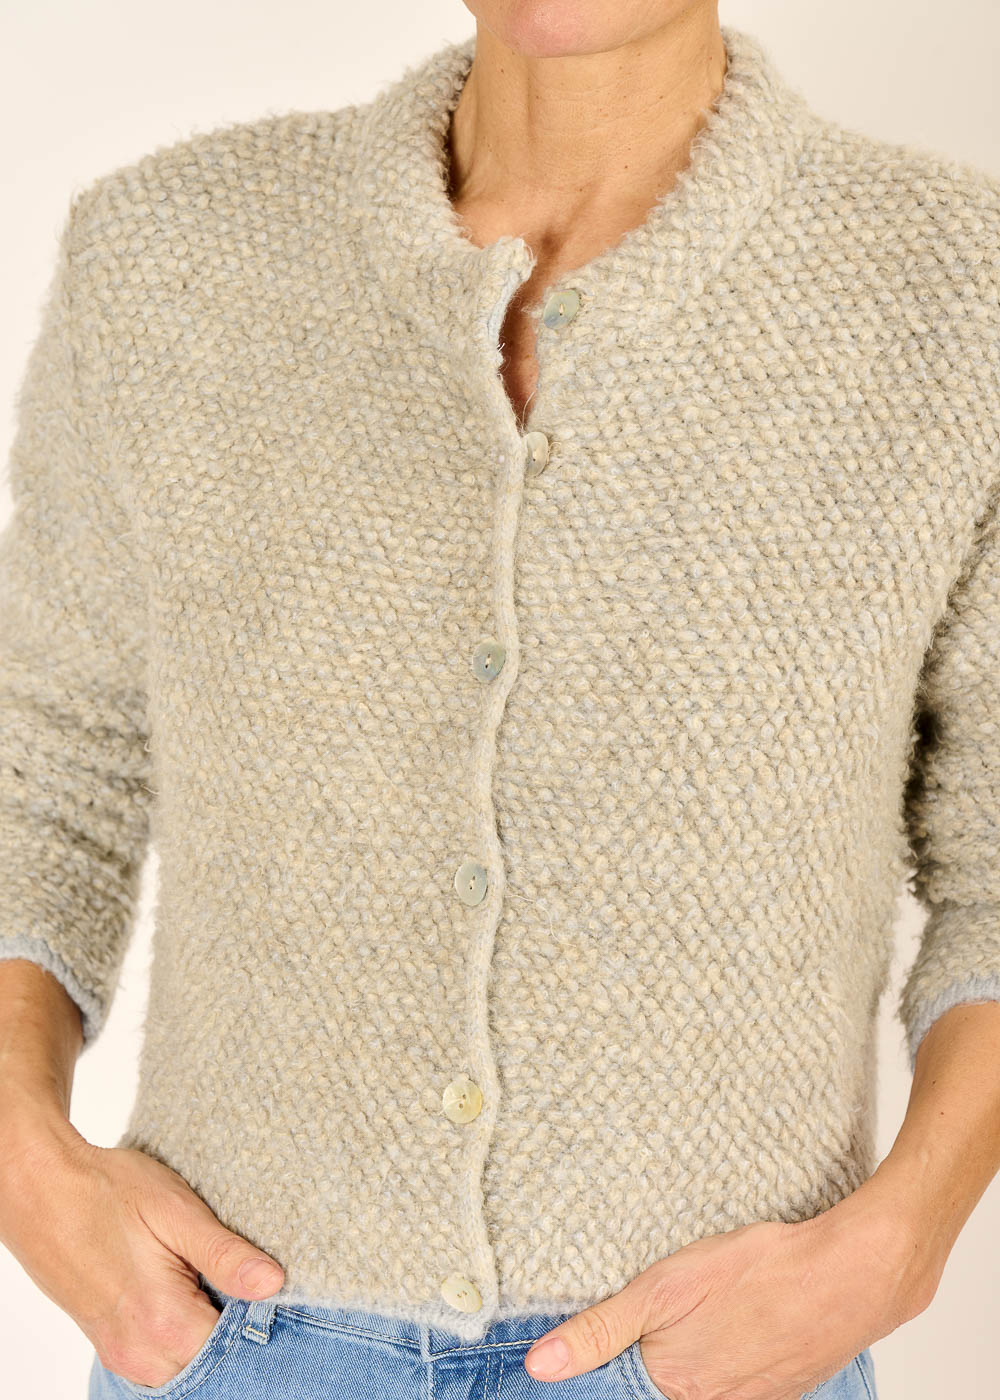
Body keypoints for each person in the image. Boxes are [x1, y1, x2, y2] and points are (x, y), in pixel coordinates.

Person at [2, 2, 1000, 1397]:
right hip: (237, 1346)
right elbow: (45, 766)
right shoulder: (166, 253)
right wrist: (22, 1160)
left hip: (720, 1355)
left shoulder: (955, 291)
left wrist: (905, 1238)